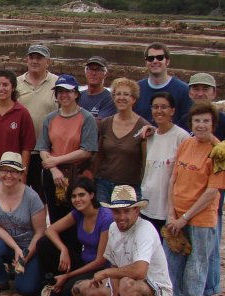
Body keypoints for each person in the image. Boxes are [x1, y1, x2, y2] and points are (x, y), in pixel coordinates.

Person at [148, 101, 225, 296]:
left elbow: (212, 191)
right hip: (177, 215)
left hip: (200, 218)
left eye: (206, 121)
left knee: (196, 264)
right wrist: (172, 213)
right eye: (197, 121)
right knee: (172, 261)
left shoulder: (219, 152)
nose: (201, 125)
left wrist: (186, 217)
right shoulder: (186, 145)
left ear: (213, 124)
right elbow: (173, 179)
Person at [71, 185, 173, 296]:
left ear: (136, 211)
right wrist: (115, 288)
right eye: (117, 212)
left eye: (126, 211)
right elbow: (115, 264)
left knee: (128, 284)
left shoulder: (145, 230)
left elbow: (140, 271)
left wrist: (107, 275)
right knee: (79, 289)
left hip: (155, 289)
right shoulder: (113, 228)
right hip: (128, 282)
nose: (121, 217)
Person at [176, 72, 225, 296]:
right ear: (190, 92)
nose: (200, 93)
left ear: (214, 93)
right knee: (184, 251)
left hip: (209, 200)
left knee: (207, 251)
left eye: (205, 89)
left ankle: (206, 295)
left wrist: (217, 142)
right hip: (184, 197)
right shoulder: (186, 119)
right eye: (196, 89)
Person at [36, 76, 98, 261]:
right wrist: (54, 168)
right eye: (60, 92)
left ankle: (76, 261)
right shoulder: (50, 118)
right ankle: (57, 260)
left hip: (76, 177)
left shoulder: (86, 118)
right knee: (56, 220)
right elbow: (42, 147)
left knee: (75, 221)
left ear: (76, 94)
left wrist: (56, 161)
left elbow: (87, 151)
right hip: (53, 177)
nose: (64, 95)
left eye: (68, 91)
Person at [0, 152, 46, 296]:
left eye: (14, 171)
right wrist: (15, 248)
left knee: (27, 290)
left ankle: (30, 270)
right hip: (6, 243)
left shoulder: (32, 196)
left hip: (29, 246)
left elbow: (40, 232)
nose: (9, 175)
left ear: (21, 174)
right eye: (5, 170)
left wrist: (25, 255)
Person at [38, 176, 113, 296]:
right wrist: (63, 250)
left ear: (91, 195)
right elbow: (50, 230)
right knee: (44, 243)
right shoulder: (78, 213)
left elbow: (101, 260)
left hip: (100, 269)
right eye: (73, 196)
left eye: (81, 195)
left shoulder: (105, 218)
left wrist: (67, 276)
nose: (77, 200)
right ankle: (55, 286)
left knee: (69, 290)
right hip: (84, 263)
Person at [92, 77, 149, 205]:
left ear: (134, 99)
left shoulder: (143, 126)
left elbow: (145, 162)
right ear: (113, 98)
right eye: (118, 94)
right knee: (104, 222)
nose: (121, 97)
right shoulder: (105, 123)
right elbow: (98, 155)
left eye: (126, 94)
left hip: (129, 186)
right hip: (103, 184)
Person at [139, 91, 190, 233]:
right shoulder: (149, 136)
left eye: (164, 107)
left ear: (172, 111)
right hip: (147, 205)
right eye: (155, 107)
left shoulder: (181, 137)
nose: (159, 111)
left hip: (168, 210)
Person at [16, 44, 59, 200]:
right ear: (26, 59)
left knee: (44, 197)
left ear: (48, 62)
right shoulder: (16, 83)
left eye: (39, 58)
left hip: (47, 151)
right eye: (32, 57)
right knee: (18, 194)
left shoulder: (57, 83)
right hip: (21, 150)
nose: (34, 61)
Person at [134, 43, 191, 125]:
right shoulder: (136, 89)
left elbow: (187, 123)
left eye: (159, 58)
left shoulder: (183, 91)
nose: (155, 61)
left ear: (167, 61)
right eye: (150, 58)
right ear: (146, 62)